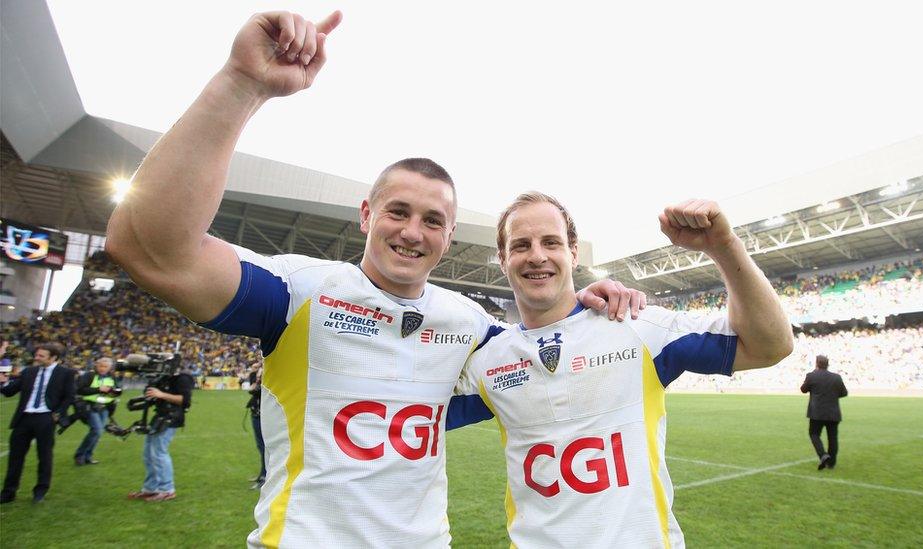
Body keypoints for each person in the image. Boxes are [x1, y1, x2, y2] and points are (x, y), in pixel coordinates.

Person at [104, 9, 642, 546]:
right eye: (397, 212)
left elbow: (549, 352)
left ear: (448, 239)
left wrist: (587, 300)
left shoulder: (470, 325)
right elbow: (151, 251)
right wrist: (241, 83)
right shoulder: (301, 294)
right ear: (366, 215)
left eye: (432, 221)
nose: (413, 232)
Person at [450, 193, 794, 548]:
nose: (537, 255)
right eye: (521, 245)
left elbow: (770, 345)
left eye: (550, 242)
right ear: (503, 259)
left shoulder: (637, 327)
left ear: (572, 252)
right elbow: (402, 411)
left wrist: (723, 246)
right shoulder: (489, 362)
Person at [0, 343, 77, 504]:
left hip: (46, 418)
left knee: (44, 456)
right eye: (37, 354)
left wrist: (58, 414)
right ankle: (8, 493)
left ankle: (40, 491)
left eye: (41, 355)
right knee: (15, 457)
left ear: (53, 357)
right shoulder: (29, 371)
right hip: (24, 418)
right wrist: (3, 382)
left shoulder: (66, 373)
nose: (36, 357)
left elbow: (69, 396)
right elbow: (9, 392)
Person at [126, 370, 194, 502]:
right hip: (160, 416)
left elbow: (185, 400)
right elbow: (155, 398)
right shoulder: (163, 378)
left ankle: (167, 489)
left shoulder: (182, 378)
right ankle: (150, 489)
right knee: (148, 454)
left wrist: (161, 394)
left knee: (158, 453)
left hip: (171, 418)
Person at [801, 355, 848, 470]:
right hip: (833, 412)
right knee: (832, 438)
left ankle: (823, 455)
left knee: (814, 434)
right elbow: (844, 393)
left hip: (816, 413)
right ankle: (831, 463)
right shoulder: (836, 377)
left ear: (817, 364)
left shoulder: (811, 376)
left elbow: (803, 389)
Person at [73, 357, 121, 466]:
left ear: (110, 368)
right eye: (101, 366)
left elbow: (117, 389)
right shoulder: (89, 375)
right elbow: (79, 390)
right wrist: (98, 389)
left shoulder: (112, 377)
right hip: (89, 406)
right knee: (97, 430)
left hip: (104, 407)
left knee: (97, 433)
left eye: (105, 367)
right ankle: (80, 455)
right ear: (96, 366)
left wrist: (114, 392)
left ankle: (87, 456)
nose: (102, 368)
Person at [246, 363, 266, 489]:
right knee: (260, 446)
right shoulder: (257, 373)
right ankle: (262, 474)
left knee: (264, 447)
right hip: (256, 413)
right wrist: (255, 374)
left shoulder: (268, 374)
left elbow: (256, 390)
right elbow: (251, 389)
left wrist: (260, 377)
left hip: (262, 415)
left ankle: (265, 476)